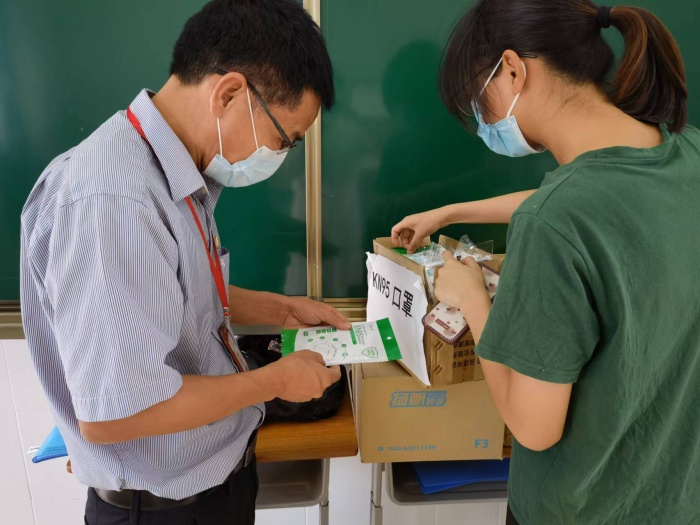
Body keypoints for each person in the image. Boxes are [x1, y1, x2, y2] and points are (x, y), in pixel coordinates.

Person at [20, 1, 350, 523]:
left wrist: (281, 309)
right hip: (162, 511)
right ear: (229, 93)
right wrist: (274, 381)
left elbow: (168, 292)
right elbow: (115, 414)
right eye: (282, 140)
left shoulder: (173, 173)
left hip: (217, 485)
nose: (277, 157)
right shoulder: (113, 200)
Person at [392, 1, 698, 524]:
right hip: (676, 499)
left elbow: (534, 429)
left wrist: (471, 299)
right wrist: (452, 211)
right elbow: (591, 202)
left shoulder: (553, 225)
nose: (484, 120)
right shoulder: (686, 153)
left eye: (479, 100)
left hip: (579, 508)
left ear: (513, 70)